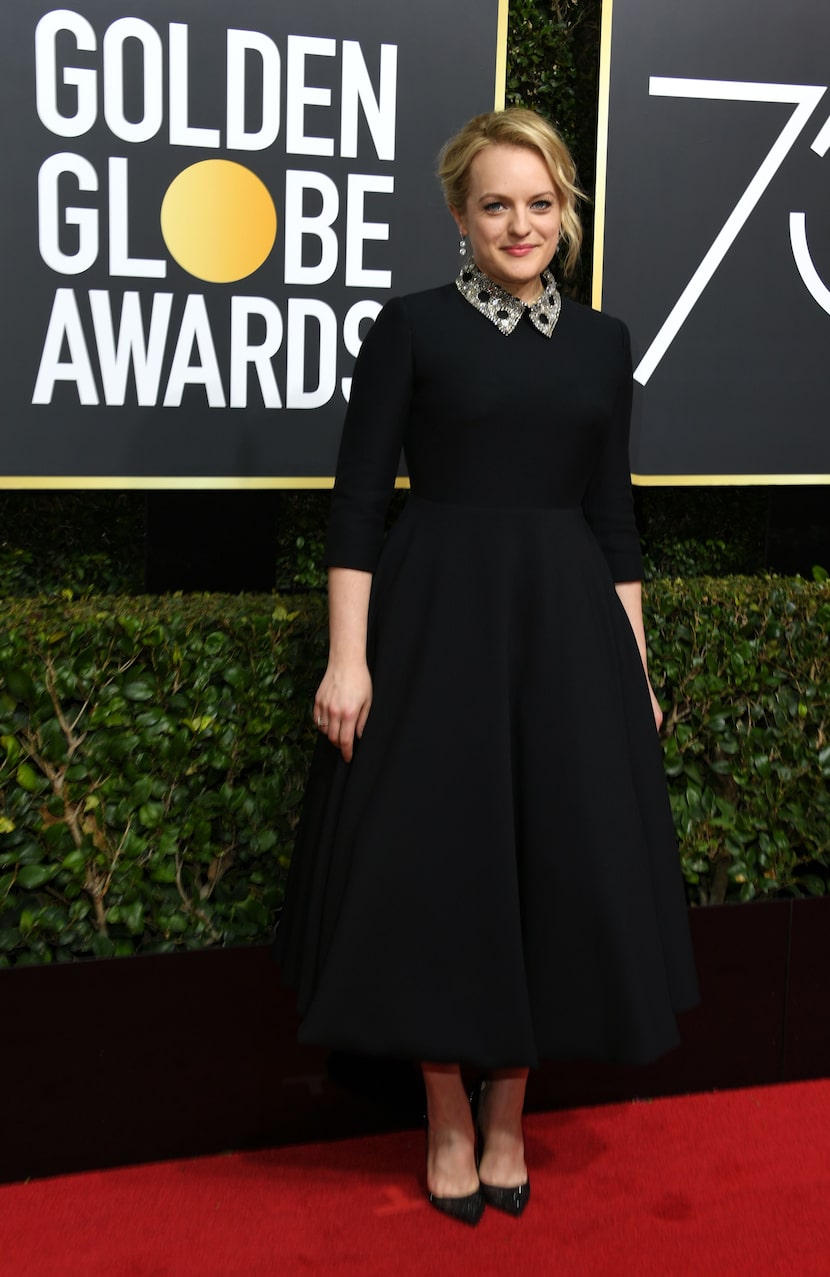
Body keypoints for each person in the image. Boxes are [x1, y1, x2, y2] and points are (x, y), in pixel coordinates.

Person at [276, 107, 699, 1226]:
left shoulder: (603, 342)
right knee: (437, 867)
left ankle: (508, 1111)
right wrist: (347, 658)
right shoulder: (409, 329)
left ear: (566, 209)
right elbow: (359, 502)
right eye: (495, 204)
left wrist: (634, 668)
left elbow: (614, 515)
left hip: (566, 632)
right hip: (433, 624)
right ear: (458, 217)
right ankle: (444, 1114)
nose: (520, 224)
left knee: (550, 865)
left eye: (540, 202)